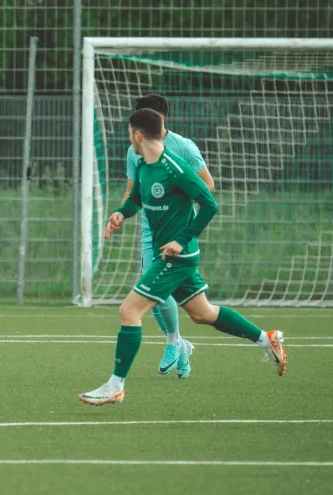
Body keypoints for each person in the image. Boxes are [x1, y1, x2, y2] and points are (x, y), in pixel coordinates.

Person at [78, 109, 286, 407]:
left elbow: (210, 204)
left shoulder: (174, 168)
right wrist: (119, 214)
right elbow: (136, 198)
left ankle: (115, 386)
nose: (129, 139)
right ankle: (268, 340)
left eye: (129, 133)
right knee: (203, 313)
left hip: (178, 257)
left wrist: (180, 239)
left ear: (138, 135)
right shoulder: (144, 165)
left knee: (129, 311)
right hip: (171, 254)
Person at [125, 94, 215, 379]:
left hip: (178, 232)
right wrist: (119, 212)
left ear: (159, 119)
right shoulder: (135, 150)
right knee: (153, 289)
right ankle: (177, 342)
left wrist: (182, 218)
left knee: (152, 293)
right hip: (152, 229)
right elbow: (133, 191)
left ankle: (175, 343)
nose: (136, 132)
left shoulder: (184, 147)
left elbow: (207, 186)